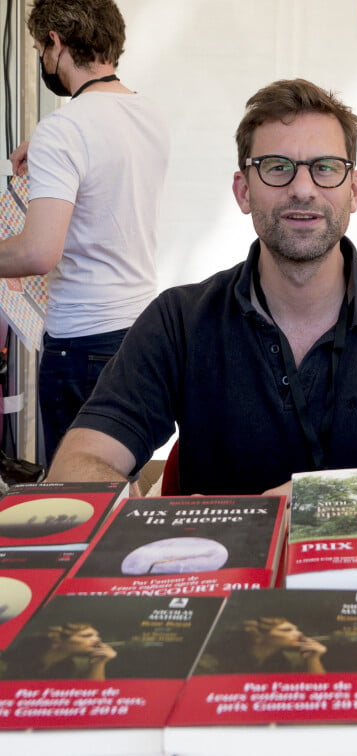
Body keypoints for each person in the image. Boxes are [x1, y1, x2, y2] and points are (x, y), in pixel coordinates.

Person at [46, 78, 357, 499]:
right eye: (277, 167)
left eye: (325, 168)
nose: (303, 189)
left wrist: (327, 502)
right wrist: (151, 520)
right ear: (244, 191)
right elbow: (79, 462)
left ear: (355, 190)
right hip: (221, 576)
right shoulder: (179, 319)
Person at [0, 0, 170, 464]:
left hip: (80, 346)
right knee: (120, 477)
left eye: (39, 48)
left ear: (55, 42)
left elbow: (37, 253)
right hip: (138, 331)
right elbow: (107, 164)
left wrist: (54, 144)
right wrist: (49, 150)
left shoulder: (66, 128)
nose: (42, 61)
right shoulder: (149, 114)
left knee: (77, 497)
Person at [197, 616, 327, 675]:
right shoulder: (212, 663)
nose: (299, 633)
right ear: (258, 636)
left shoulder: (293, 660)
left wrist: (313, 659)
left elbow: (320, 691)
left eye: (296, 629)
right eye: (286, 630)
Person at [0, 622, 117, 680]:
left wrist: (99, 663)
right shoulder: (7, 665)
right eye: (87, 636)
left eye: (97, 636)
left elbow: (93, 695)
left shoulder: (76, 666)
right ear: (57, 641)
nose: (98, 640)